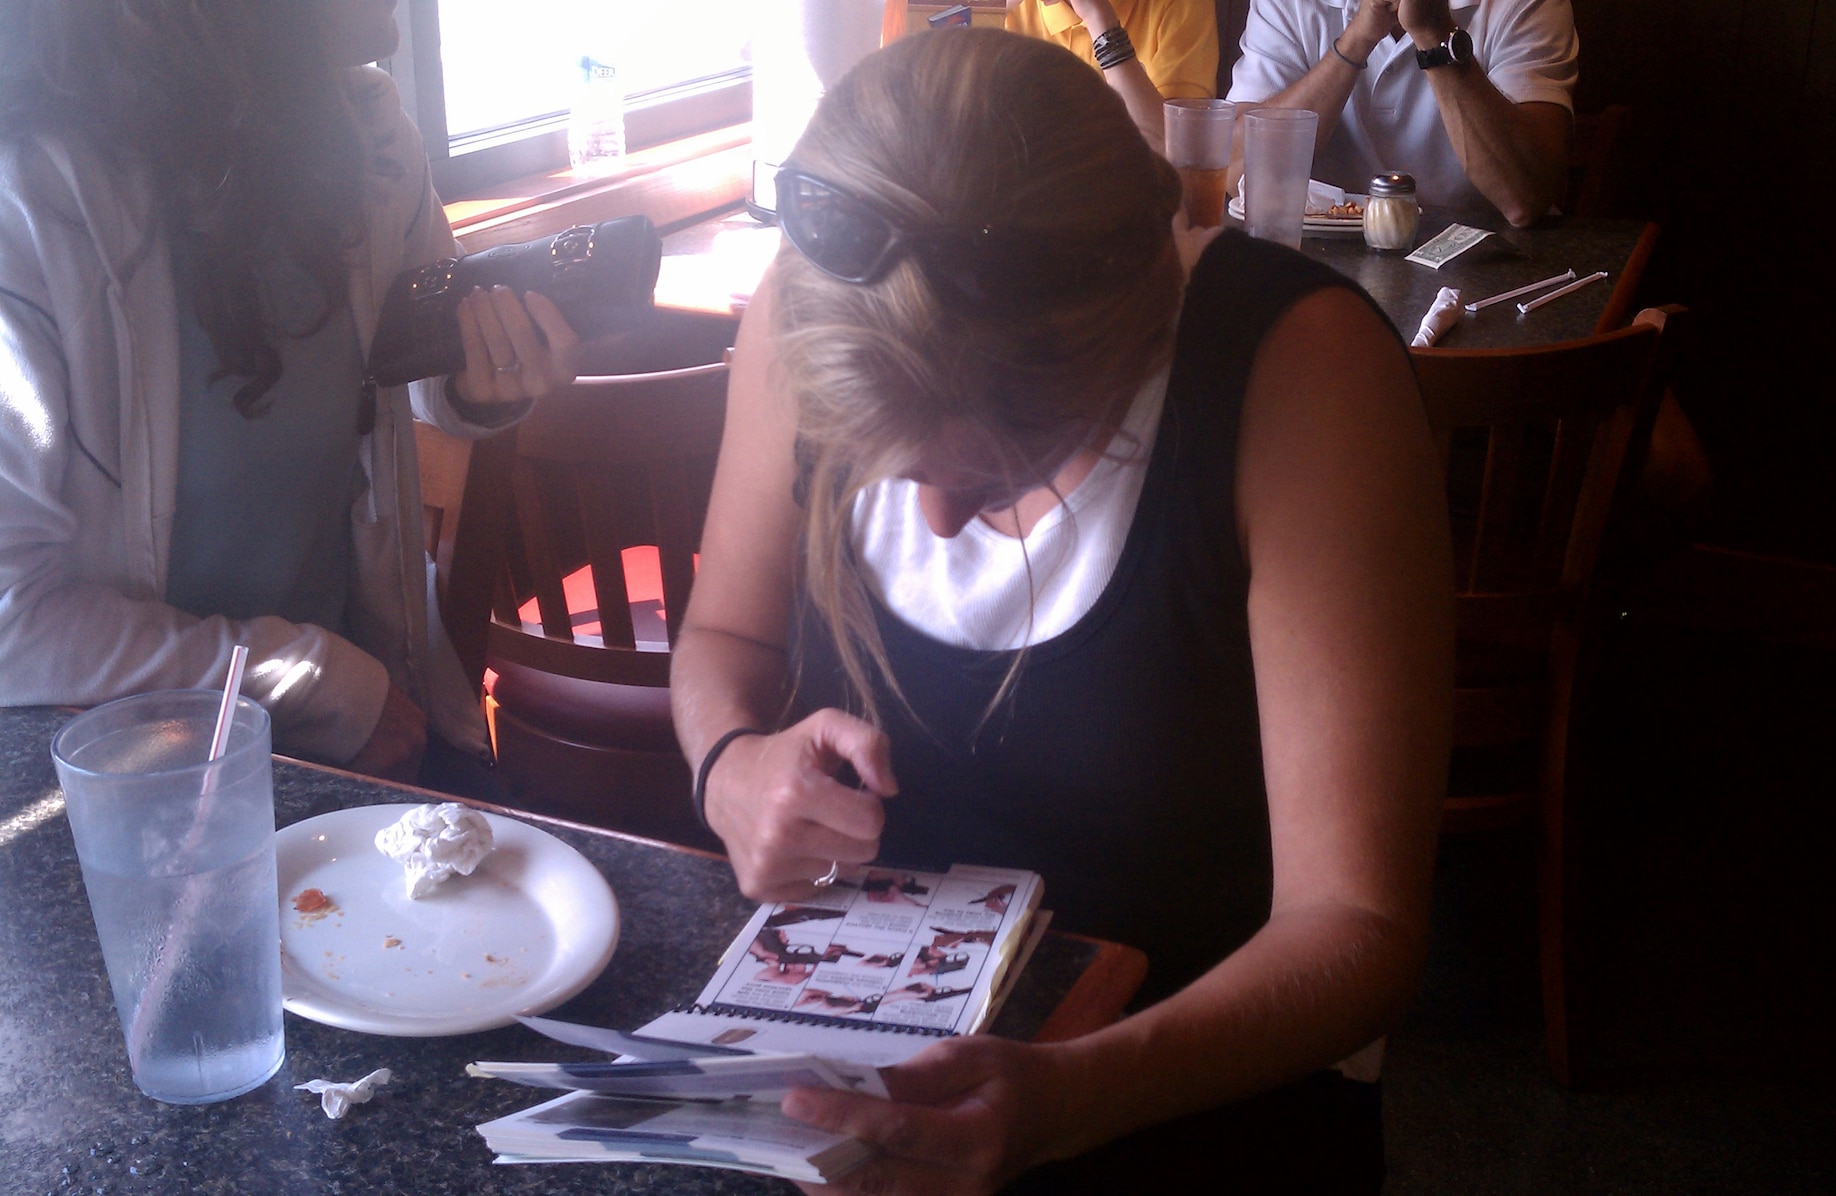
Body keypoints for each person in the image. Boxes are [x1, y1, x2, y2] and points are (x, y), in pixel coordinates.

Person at [671, 27, 1450, 1194]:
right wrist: (729, 763)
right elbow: (720, 639)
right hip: (859, 1050)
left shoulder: (1299, 374)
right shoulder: (817, 301)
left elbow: (1358, 928)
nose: (932, 522)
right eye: (882, 466)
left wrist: (1075, 1094)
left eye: (997, 471)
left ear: (1124, 346)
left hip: (1192, 1091)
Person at [0, 0, 576, 782]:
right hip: (130, 777)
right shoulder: (29, 205)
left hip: (367, 726)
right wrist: (312, 682)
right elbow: (14, 627)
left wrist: (480, 389)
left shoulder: (371, 139)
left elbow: (424, 385)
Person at [1227, 0, 1577, 226]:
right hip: (1323, 266)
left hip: (1487, 266)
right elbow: (1237, 175)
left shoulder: (1526, 4)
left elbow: (1524, 199)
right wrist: (1357, 39)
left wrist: (1433, 33)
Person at [1007, 0, 1219, 150]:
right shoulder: (1007, 10)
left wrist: (1099, 19)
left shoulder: (1182, 5)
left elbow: (1172, 151)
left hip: (1131, 199)